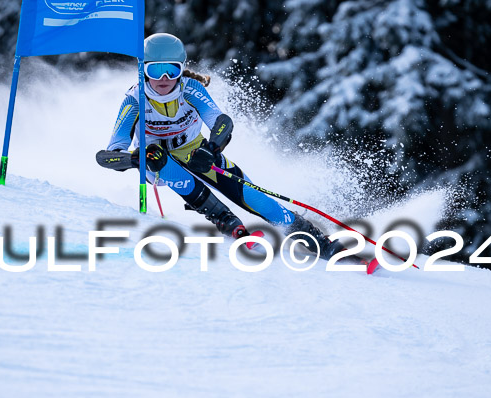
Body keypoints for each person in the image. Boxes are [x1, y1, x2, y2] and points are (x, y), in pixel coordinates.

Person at [99, 33, 343, 259]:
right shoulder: (135, 99)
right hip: (157, 163)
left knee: (257, 199)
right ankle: (227, 221)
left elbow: (221, 122)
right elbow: (108, 155)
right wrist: (134, 160)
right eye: (156, 70)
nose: (164, 79)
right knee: (159, 157)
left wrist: (212, 148)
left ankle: (322, 243)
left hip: (196, 152)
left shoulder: (190, 89)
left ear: (181, 69)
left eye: (171, 70)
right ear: (143, 70)